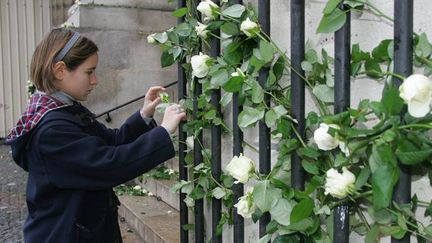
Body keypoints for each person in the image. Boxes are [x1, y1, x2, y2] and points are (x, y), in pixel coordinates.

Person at [6, 28, 186, 243]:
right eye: (89, 72)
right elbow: (108, 165)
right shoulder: (52, 129)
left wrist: (144, 115)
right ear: (60, 70)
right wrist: (163, 132)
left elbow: (111, 141)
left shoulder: (64, 109)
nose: (95, 80)